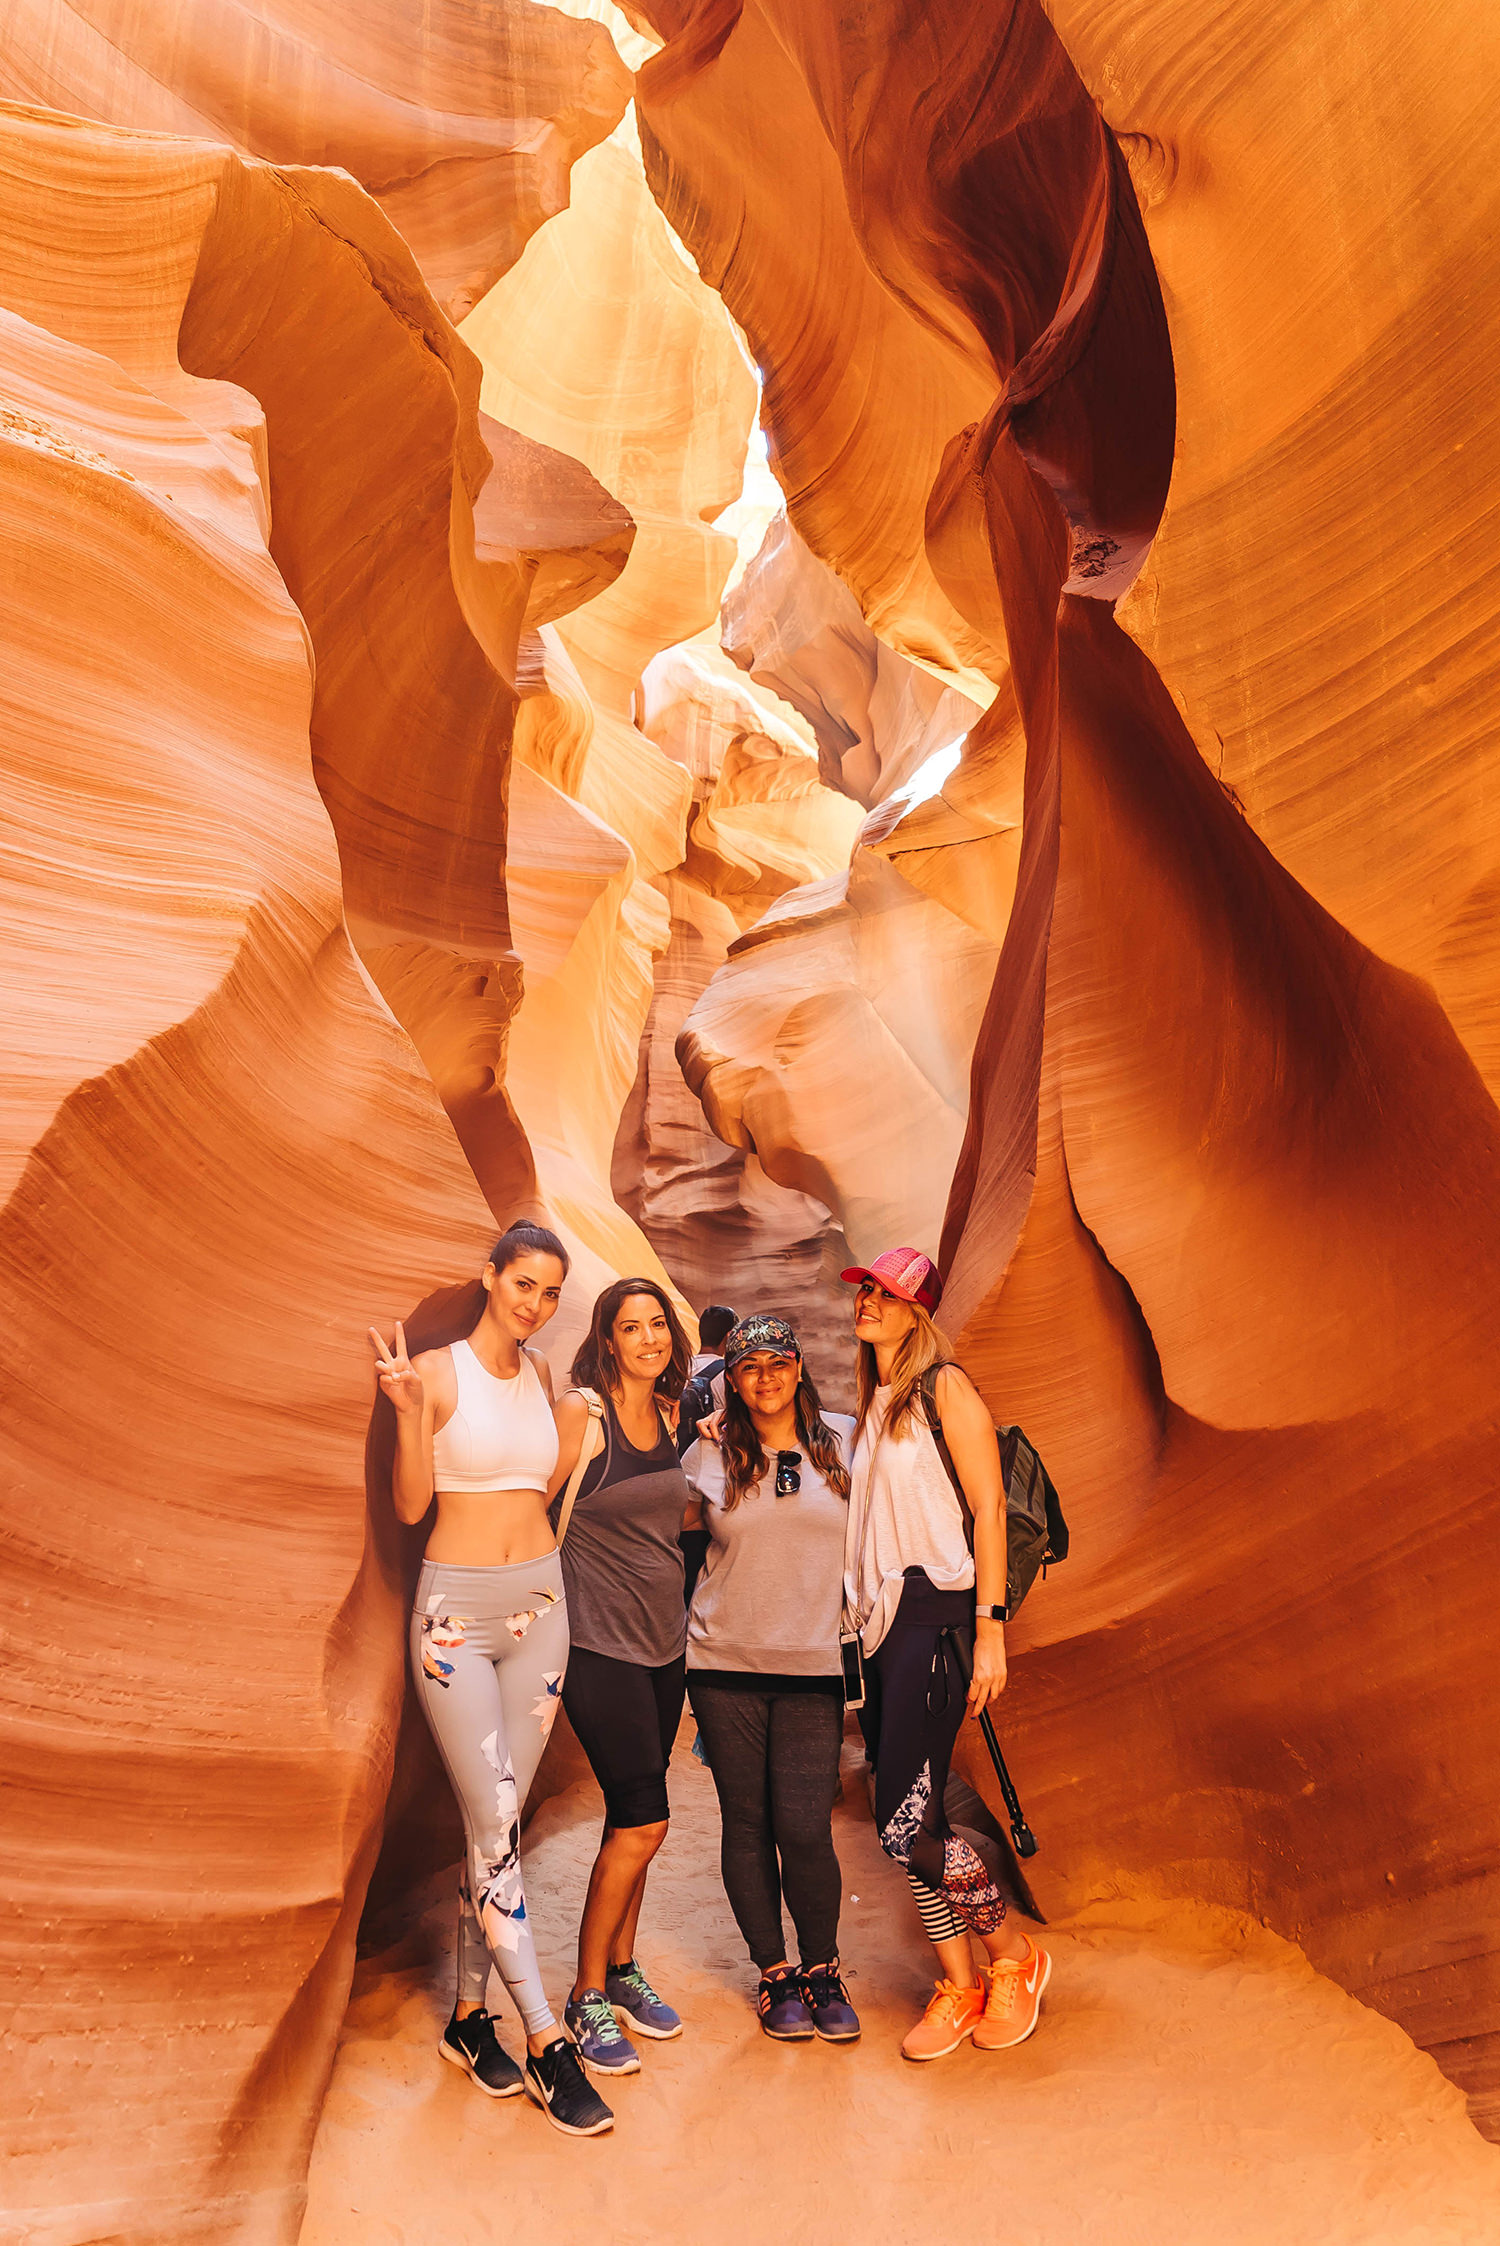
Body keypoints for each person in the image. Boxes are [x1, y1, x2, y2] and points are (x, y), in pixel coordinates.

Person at [369, 1223, 613, 2138]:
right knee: (495, 1815)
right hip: (456, 1624)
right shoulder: (435, 1373)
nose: (536, 1305)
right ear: (490, 1276)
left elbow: (537, 1489)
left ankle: (471, 2023)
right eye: (523, 1284)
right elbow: (410, 1506)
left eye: (551, 1293)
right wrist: (402, 1409)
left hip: (541, 1609)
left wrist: (577, 1428)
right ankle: (548, 2039)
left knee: (494, 1822)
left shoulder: (545, 1379)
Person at [841, 1246, 1050, 2063]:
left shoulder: (944, 1387)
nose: (867, 1302)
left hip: (933, 1618)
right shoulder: (879, 1399)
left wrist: (990, 1631)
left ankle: (1012, 1958)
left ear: (916, 1311)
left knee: (902, 1824)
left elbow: (990, 1506)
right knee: (910, 1820)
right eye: (864, 1290)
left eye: (884, 1295)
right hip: (882, 1629)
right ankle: (959, 1982)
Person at [682, 1314, 861, 2043]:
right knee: (748, 1823)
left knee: (805, 1826)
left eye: (776, 1362)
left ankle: (822, 1967)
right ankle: (775, 1974)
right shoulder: (710, 1453)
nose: (764, 1377)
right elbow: (685, 1546)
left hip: (815, 1663)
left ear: (798, 1367)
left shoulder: (847, 1440)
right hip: (722, 1662)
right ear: (731, 1376)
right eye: (747, 1365)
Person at [549, 1277, 697, 2078]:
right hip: (597, 1648)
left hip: (662, 1648)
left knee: (630, 1816)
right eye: (630, 1327)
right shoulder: (584, 1413)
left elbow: (670, 1519)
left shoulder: (670, 1416)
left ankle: (624, 1967)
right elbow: (533, 1514)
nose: (648, 1339)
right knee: (644, 1821)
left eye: (656, 1325)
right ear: (607, 1338)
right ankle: (586, 1995)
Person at [675, 1302, 736, 1457]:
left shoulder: (680, 1367)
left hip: (676, 1454)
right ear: (729, 1336)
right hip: (707, 1455)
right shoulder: (727, 1374)